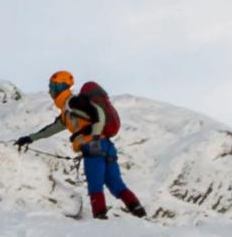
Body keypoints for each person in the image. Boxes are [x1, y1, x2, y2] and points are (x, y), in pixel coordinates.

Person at [15, 70, 148, 218]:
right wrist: (29, 138)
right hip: (107, 146)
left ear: (60, 87)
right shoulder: (67, 111)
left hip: (93, 145)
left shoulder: (73, 102)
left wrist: (94, 138)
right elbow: (51, 129)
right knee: (115, 183)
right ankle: (139, 212)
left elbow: (99, 114)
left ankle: (100, 217)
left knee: (95, 184)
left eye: (52, 86)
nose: (50, 90)